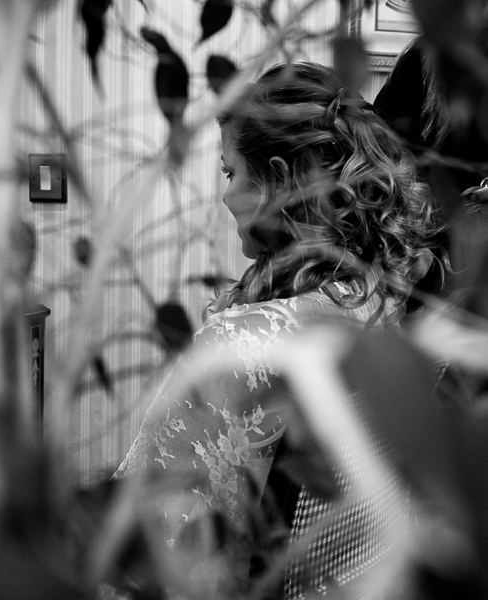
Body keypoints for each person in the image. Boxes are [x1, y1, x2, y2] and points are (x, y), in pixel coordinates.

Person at [114, 61, 444, 598]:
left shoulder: (245, 348)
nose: (225, 197)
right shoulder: (390, 304)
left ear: (277, 180)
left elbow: (151, 558)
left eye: (230, 174)